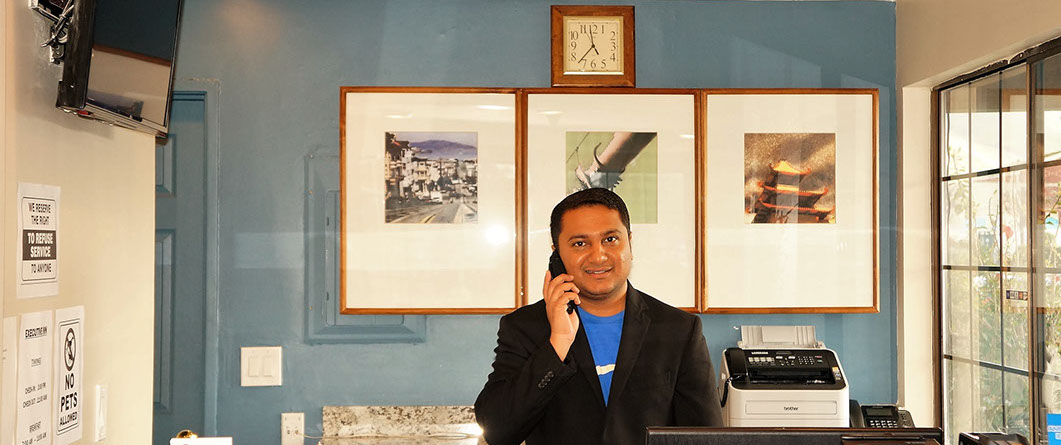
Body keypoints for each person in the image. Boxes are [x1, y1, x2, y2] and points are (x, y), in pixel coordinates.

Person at [474, 188, 723, 445]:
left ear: (630, 243)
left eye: (611, 239)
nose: (598, 255)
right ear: (556, 254)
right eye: (580, 243)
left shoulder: (679, 330)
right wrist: (557, 342)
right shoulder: (525, 327)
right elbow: (497, 431)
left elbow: (705, 438)